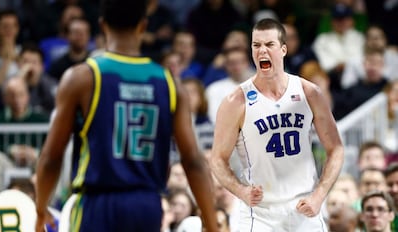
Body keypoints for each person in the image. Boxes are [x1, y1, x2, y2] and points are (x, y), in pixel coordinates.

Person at [34, 0, 218, 231]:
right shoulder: (170, 84)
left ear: (102, 25)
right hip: (147, 205)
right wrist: (211, 223)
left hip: (98, 202)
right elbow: (193, 161)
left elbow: (52, 156)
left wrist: (41, 209)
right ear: (143, 25)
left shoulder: (82, 77)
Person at [209, 18, 344, 231]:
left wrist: (319, 195)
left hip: (303, 206)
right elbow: (217, 158)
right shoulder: (236, 101)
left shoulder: (309, 92)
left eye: (269, 44)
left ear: (283, 49)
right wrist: (240, 190)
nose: (262, 50)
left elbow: (335, 148)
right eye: (256, 45)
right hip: (260, 212)